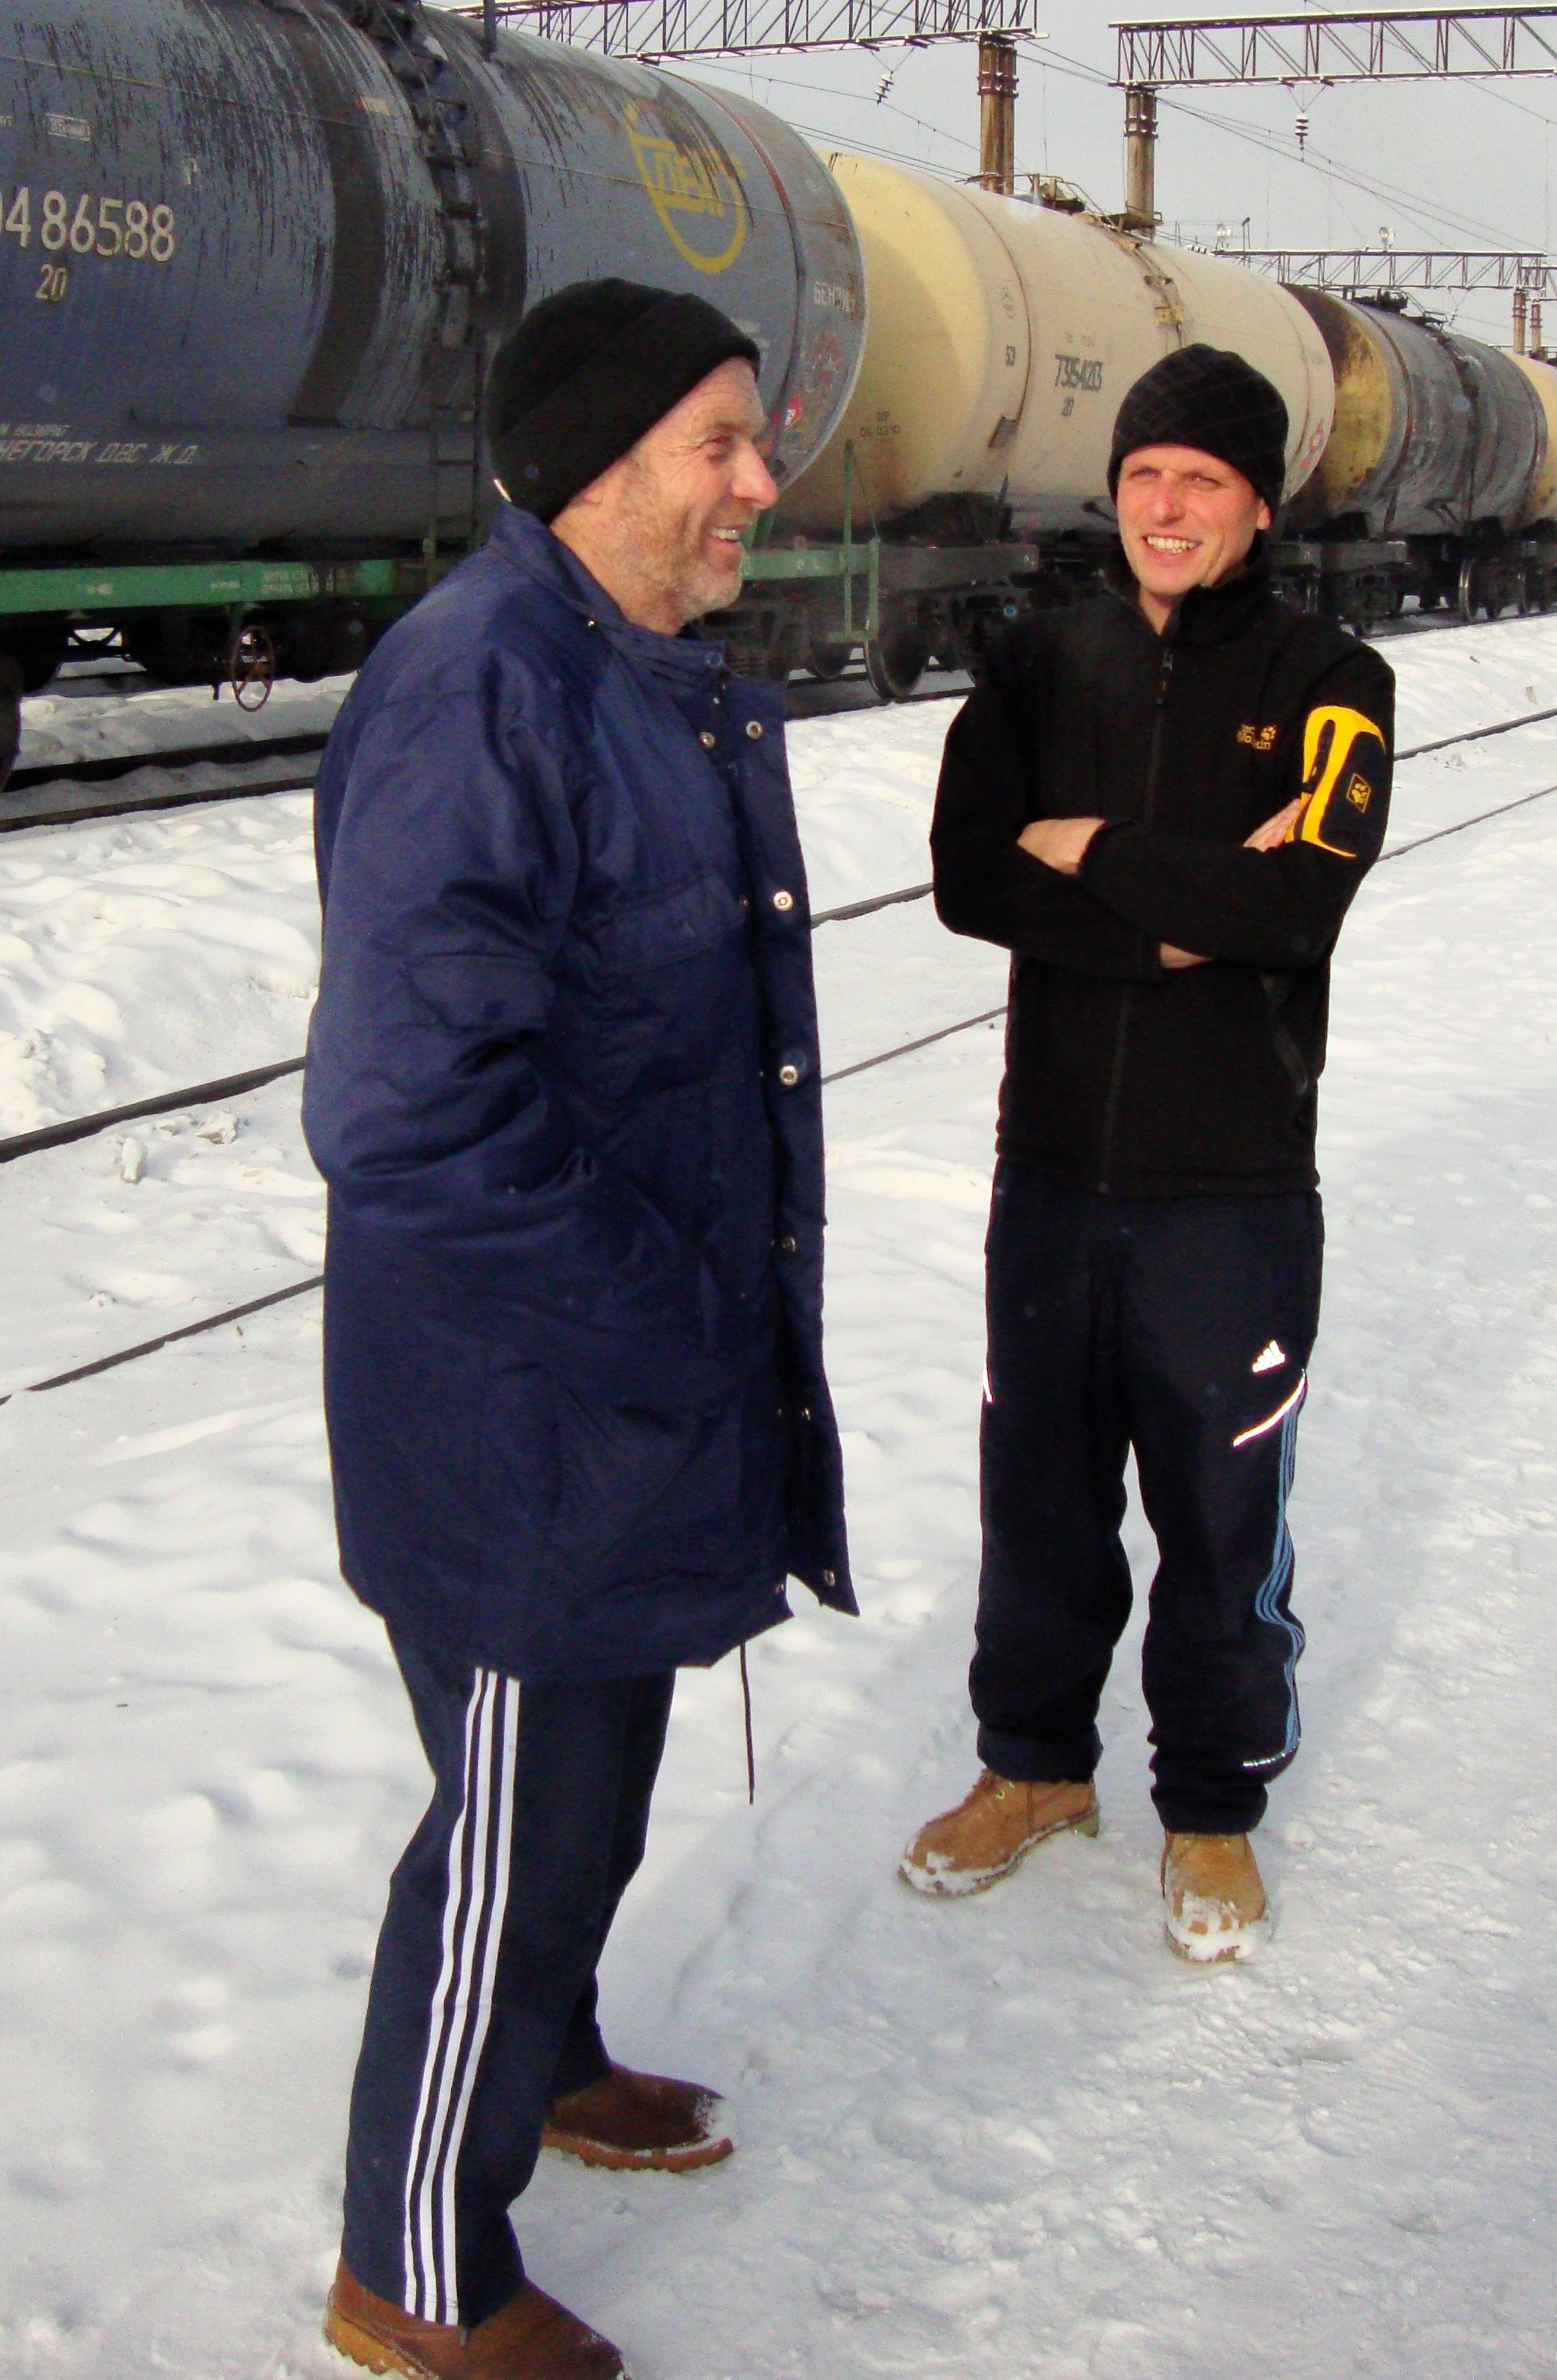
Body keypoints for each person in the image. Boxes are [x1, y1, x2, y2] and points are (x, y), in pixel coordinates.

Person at [303, 278, 855, 2380]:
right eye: (719, 443)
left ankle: (542, 2054)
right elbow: (409, 1112)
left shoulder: (628, 671)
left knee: (583, 1795)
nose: (758, 482)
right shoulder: (484, 687)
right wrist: (663, 1316)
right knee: (517, 1830)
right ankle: (413, 2271)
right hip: (530, 1404)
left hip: (614, 1377)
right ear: (593, 465)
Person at [898, 342, 1392, 1961]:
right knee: (1036, 1495)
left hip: (1230, 1184)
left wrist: (1095, 845)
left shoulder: (1333, 681)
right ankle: (1035, 1768)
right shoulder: (1038, 661)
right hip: (1048, 1164)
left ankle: (1212, 1806)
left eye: (1202, 481)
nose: (1166, 507)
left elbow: (1294, 903)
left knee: (1218, 1505)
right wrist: (1172, 921)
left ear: (1258, 507)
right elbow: (968, 874)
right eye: (1142, 477)